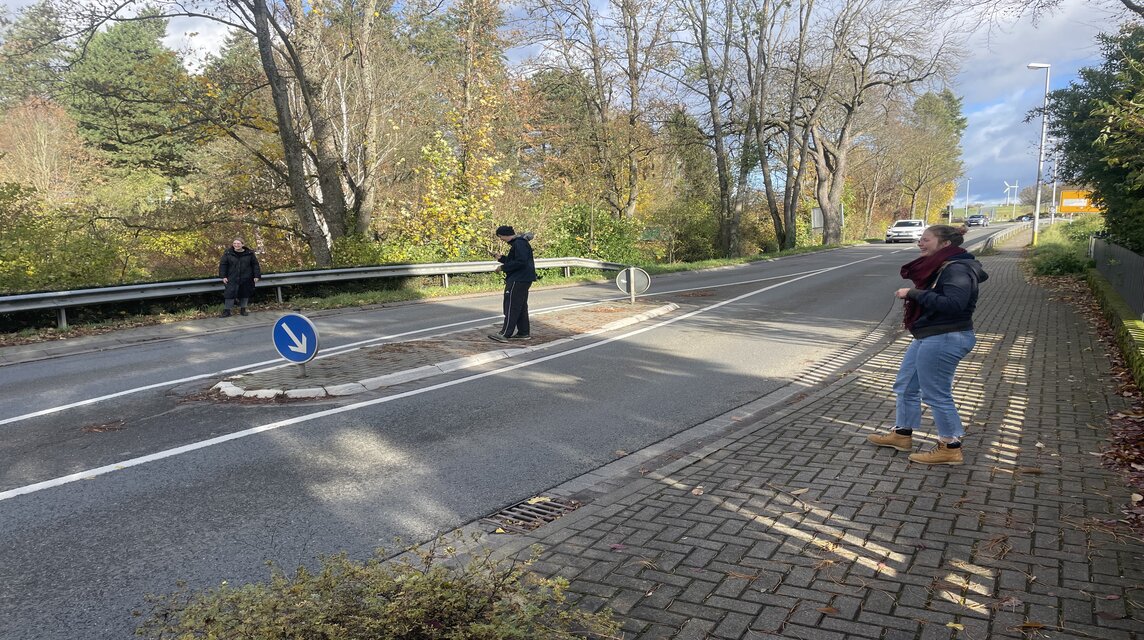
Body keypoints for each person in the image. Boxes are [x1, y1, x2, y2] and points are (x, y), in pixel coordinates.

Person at [867, 224, 988, 465]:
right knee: (906, 384)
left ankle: (950, 446)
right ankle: (902, 434)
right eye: (920, 239)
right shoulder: (943, 266)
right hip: (931, 335)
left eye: (926, 240)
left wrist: (912, 294)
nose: (920, 243)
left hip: (947, 337)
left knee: (936, 393)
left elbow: (955, 304)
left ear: (945, 245)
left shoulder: (957, 269)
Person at [488, 225, 537, 342]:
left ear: (505, 234)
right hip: (523, 279)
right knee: (520, 307)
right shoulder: (520, 243)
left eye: (501, 237)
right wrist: (501, 258)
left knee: (511, 306)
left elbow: (520, 262)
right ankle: (523, 332)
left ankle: (505, 334)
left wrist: (503, 267)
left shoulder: (519, 244)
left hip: (518, 279)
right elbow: (517, 260)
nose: (501, 240)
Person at [218, 238, 261, 317]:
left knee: (244, 293)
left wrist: (256, 276)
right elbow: (223, 265)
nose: (236, 245)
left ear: (242, 245)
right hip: (232, 277)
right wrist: (223, 276)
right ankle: (227, 311)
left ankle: (243, 309)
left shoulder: (249, 253)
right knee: (229, 294)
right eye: (234, 243)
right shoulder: (228, 253)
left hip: (246, 277)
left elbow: (255, 265)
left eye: (238, 243)